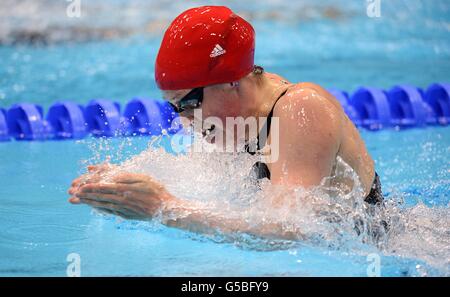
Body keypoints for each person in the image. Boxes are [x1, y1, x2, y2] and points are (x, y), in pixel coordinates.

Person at [68, 6, 383, 240]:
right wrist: (125, 186)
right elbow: (201, 182)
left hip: (378, 252)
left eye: (189, 103)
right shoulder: (232, 119)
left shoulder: (302, 109)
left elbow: (292, 230)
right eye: (174, 107)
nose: (183, 119)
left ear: (232, 81)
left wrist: (163, 208)